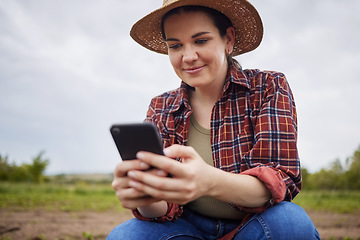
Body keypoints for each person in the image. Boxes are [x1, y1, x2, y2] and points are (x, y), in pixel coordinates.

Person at [108, 0, 320, 239]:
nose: (188, 56)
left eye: (200, 40)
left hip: (255, 226)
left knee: (290, 222)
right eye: (176, 45)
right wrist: (145, 195)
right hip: (185, 229)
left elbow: (279, 181)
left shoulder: (268, 87)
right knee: (127, 235)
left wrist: (208, 182)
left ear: (228, 40)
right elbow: (162, 208)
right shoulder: (161, 106)